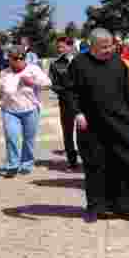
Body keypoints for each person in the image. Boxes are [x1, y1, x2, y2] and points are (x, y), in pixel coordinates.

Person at [63, 28, 129, 222]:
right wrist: (77, 113)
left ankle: (125, 207)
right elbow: (69, 92)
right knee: (96, 166)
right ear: (92, 47)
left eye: (111, 45)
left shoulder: (117, 62)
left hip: (119, 122)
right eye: (104, 47)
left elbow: (127, 91)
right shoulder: (79, 64)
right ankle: (96, 208)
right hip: (91, 125)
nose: (109, 49)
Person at [0, 45, 52, 178]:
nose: (18, 60)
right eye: (15, 58)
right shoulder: (5, 73)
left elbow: (48, 84)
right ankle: (12, 165)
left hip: (30, 109)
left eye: (21, 58)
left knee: (29, 139)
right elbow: (0, 92)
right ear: (9, 59)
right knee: (11, 137)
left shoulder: (33, 69)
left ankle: (27, 163)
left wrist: (32, 82)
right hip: (10, 111)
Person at [50, 36, 80, 169]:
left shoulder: (82, 61)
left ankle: (86, 158)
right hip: (65, 102)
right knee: (67, 133)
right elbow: (53, 84)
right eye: (58, 46)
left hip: (82, 103)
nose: (59, 49)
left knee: (83, 132)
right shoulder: (55, 64)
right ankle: (72, 160)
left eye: (62, 46)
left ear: (70, 46)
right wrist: (66, 93)